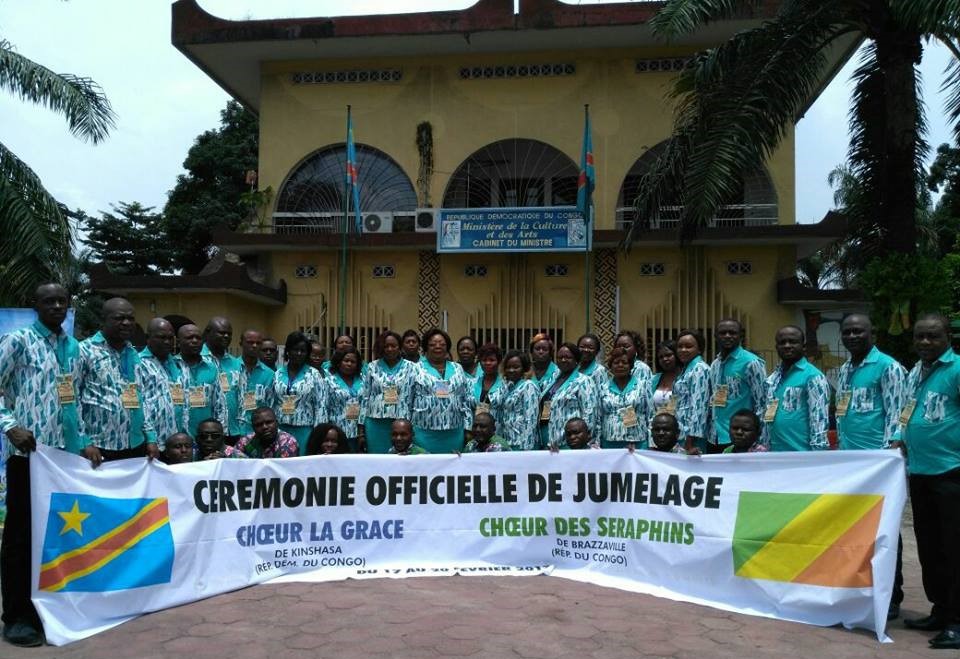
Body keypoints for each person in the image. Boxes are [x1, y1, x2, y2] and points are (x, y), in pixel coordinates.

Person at [0, 283, 98, 647]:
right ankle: (17, 617)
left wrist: (85, 442)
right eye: (49, 301)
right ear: (35, 305)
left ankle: (51, 610)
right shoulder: (18, 341)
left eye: (62, 301)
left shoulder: (76, 348)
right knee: (21, 538)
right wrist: (10, 426)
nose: (57, 306)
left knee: (59, 537)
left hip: (66, 461)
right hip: (29, 458)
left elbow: (78, 400)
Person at [836, 313, 906, 620]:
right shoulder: (844, 370)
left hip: (878, 466)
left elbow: (897, 413)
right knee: (855, 528)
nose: (852, 336)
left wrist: (890, 455)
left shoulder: (888, 367)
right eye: (847, 332)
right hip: (851, 464)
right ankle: (861, 586)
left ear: (872, 333)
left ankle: (892, 594)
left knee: (885, 530)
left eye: (858, 331)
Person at [900, 314, 960, 648]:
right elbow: (908, 413)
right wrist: (899, 437)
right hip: (920, 473)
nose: (925, 342)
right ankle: (940, 609)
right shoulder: (915, 372)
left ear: (948, 337)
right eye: (920, 336)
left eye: (933, 336)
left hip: (951, 472)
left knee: (954, 549)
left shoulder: (957, 369)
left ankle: (957, 621)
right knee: (929, 547)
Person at [78, 298, 159, 461]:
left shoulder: (133, 354)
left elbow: (141, 398)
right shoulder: (85, 351)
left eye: (130, 318)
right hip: (99, 446)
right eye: (119, 318)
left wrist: (150, 437)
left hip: (135, 445)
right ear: (103, 320)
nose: (126, 323)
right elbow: (73, 399)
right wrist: (84, 441)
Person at [764, 325, 830, 451]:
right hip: (773, 453)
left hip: (801, 454)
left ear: (803, 347)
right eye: (782, 342)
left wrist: (818, 455)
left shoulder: (813, 377)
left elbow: (819, 420)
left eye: (793, 342)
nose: (787, 346)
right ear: (776, 347)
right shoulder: (774, 377)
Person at [410, 328, 472, 453]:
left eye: (442, 344)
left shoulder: (458, 368)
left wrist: (468, 427)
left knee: (453, 464)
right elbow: (407, 400)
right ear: (425, 347)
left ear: (447, 347)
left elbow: (466, 399)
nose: (438, 347)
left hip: (454, 432)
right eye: (432, 344)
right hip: (424, 432)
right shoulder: (415, 369)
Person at [709, 319, 766, 453]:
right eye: (723, 333)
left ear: (741, 336)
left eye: (732, 333)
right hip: (714, 436)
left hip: (741, 437)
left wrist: (759, 438)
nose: (727, 336)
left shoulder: (752, 363)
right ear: (716, 336)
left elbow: (762, 403)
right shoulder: (715, 364)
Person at [272, 331, 327, 455]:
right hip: (281, 429)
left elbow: (321, 406)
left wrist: (318, 435)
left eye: (303, 351)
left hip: (305, 430)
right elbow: (271, 402)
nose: (299, 353)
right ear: (288, 351)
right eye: (295, 350)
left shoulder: (314, 374)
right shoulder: (277, 374)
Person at [363, 331, 417, 454]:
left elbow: (415, 395)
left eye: (393, 346)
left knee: (401, 458)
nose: (390, 349)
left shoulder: (412, 367)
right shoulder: (372, 367)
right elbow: (365, 396)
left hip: (402, 422)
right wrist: (361, 427)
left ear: (400, 347)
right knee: (378, 458)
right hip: (376, 422)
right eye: (386, 346)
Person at [540, 342, 598, 449]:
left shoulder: (583, 381)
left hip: (571, 443)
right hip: (550, 442)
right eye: (560, 357)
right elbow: (546, 407)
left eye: (568, 357)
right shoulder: (552, 381)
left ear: (576, 360)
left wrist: (584, 441)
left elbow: (589, 413)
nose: (563, 360)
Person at [139, 318, 185, 448]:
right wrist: (150, 438)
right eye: (162, 337)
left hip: (177, 440)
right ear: (148, 338)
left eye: (170, 338)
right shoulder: (139, 363)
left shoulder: (178, 364)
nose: (167, 342)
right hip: (153, 442)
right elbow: (140, 405)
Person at [176, 323, 226, 439]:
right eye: (189, 338)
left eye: (198, 338)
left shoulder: (211, 368)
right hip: (177, 437)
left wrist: (219, 434)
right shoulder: (171, 367)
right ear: (178, 342)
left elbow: (219, 404)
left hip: (205, 437)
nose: (194, 341)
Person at [599, 347, 653, 449]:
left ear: (630, 365)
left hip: (637, 442)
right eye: (616, 363)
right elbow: (599, 417)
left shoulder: (643, 385)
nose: (620, 365)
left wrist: (651, 442)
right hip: (609, 442)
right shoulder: (603, 388)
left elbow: (650, 414)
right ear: (610, 366)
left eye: (624, 362)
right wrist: (597, 442)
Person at [201, 317, 244, 444]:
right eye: (221, 332)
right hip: (206, 434)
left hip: (233, 431)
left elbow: (241, 397)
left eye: (229, 334)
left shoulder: (236, 363)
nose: (226, 336)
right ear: (208, 332)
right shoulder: (197, 360)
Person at [673, 329, 712, 454]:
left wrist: (690, 439)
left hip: (692, 439)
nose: (683, 350)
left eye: (688, 346)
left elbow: (699, 406)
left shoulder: (699, 369)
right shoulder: (686, 370)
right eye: (680, 346)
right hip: (681, 433)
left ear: (699, 349)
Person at [496, 350, 540, 450]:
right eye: (508, 367)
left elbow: (530, 418)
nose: (511, 370)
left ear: (524, 368)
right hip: (508, 442)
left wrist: (526, 448)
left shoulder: (528, 386)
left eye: (516, 367)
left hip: (522, 444)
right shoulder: (508, 386)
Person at [237, 329, 276, 437]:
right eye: (250, 342)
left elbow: (271, 405)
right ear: (241, 343)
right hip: (233, 430)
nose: (254, 346)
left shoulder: (269, 374)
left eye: (258, 343)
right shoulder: (231, 369)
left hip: (259, 432)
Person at [326, 347, 365, 452]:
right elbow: (325, 407)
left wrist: (362, 433)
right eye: (346, 360)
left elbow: (366, 405)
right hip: (336, 432)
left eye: (353, 362)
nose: (349, 364)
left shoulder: (364, 379)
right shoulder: (329, 381)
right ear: (339, 362)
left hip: (358, 432)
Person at [472, 343, 504, 417]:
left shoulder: (505, 384)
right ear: (480, 362)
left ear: (498, 362)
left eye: (492, 360)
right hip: (475, 423)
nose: (488, 363)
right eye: (484, 360)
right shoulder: (472, 383)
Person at [650, 340, 679, 414]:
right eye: (661, 357)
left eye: (668, 355)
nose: (665, 359)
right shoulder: (653, 380)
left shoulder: (684, 378)